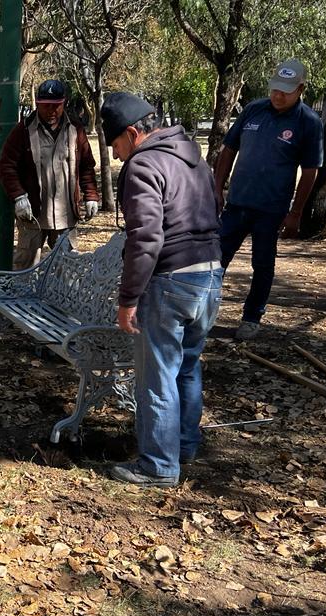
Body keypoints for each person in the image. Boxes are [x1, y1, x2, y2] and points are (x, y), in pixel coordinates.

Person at [100, 93, 224, 488]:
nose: (117, 155)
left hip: (170, 280)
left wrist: (128, 299)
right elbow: (216, 205)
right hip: (210, 275)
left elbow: (146, 239)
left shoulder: (142, 166)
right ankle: (184, 445)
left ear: (133, 133)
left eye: (116, 145)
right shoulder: (193, 156)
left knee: (157, 376)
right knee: (187, 366)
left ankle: (158, 465)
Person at [214, 58, 324, 340]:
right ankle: (203, 310)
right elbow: (228, 150)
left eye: (286, 91)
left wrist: (295, 213)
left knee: (262, 265)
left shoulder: (308, 123)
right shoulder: (253, 110)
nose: (278, 95)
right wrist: (216, 189)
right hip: (237, 203)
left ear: (300, 89)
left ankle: (252, 318)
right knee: (215, 259)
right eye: (275, 88)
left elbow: (310, 172)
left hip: (271, 209)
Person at [0, 79, 101, 270]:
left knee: (68, 269)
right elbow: (7, 165)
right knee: (25, 267)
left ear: (64, 104)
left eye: (56, 106)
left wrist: (91, 196)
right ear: (37, 104)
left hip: (66, 215)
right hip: (33, 215)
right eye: (46, 106)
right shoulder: (24, 130)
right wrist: (19, 196)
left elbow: (86, 165)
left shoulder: (75, 130)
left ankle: (65, 300)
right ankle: (22, 298)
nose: (51, 111)